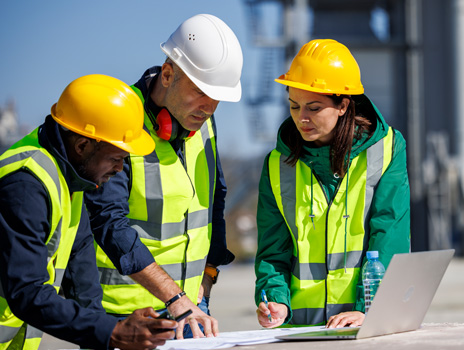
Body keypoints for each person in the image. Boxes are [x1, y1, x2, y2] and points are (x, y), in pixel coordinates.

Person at [83, 14, 241, 338]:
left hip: (190, 311)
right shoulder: (120, 120)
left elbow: (216, 200)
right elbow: (109, 223)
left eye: (217, 97)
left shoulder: (203, 122)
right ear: (168, 74)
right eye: (200, 91)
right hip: (124, 316)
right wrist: (175, 297)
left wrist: (209, 275)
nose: (209, 106)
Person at [0, 74, 177, 350]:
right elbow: (27, 291)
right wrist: (113, 331)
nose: (120, 169)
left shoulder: (73, 179)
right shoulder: (26, 184)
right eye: (116, 159)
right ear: (82, 146)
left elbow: (82, 281)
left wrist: (109, 335)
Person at [254, 39, 411, 328]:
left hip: (363, 325)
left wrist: (372, 309)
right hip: (300, 331)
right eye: (294, 105)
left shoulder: (387, 149)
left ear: (343, 105)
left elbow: (390, 235)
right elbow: (273, 251)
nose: (302, 118)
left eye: (314, 108)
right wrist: (274, 300)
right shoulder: (277, 165)